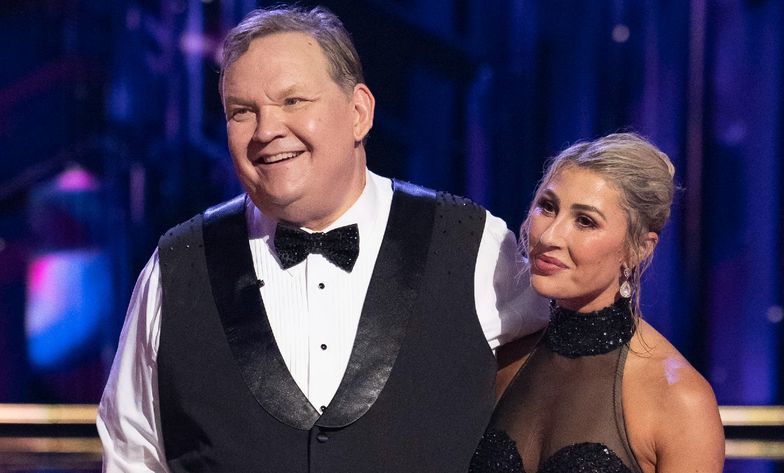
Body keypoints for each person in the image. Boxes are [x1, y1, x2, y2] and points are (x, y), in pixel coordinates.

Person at [96, 5, 545, 473]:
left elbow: (569, 384)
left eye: (293, 102)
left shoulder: (473, 246)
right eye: (242, 112)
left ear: (359, 113)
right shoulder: (175, 269)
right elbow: (133, 455)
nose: (267, 131)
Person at [469, 133, 725, 473]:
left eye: (585, 221)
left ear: (639, 249)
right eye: (547, 207)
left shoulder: (678, 399)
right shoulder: (503, 358)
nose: (549, 236)